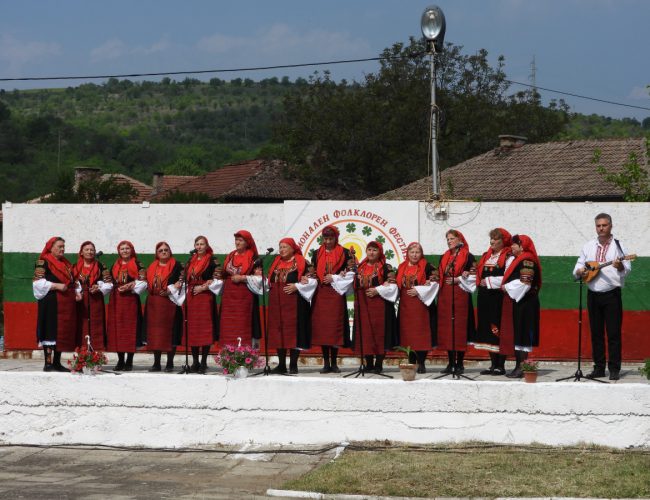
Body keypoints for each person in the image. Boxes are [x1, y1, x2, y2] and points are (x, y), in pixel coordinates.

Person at [573, 213, 631, 380]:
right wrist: (579, 271)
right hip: (593, 295)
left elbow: (627, 268)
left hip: (612, 295)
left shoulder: (618, 246)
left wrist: (619, 266)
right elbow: (579, 265)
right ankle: (599, 367)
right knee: (596, 333)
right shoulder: (589, 245)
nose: (601, 228)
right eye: (598, 225)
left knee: (613, 333)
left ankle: (614, 369)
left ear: (611, 226)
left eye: (604, 225)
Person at [266, 237, 316, 374]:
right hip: (277, 303)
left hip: (296, 302)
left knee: (295, 332)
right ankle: (281, 364)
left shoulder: (302, 262)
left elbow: (313, 280)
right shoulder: (276, 262)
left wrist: (297, 286)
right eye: (280, 247)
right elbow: (269, 280)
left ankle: (293, 364)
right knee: (279, 331)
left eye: (284, 247)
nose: (281, 250)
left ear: (292, 248)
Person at [310, 225, 353, 374]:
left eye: (331, 238)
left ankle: (334, 362)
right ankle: (326, 363)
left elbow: (351, 273)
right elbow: (313, 272)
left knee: (335, 328)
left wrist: (334, 277)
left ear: (336, 238)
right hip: (320, 293)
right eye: (325, 238)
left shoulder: (345, 253)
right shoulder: (316, 254)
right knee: (323, 329)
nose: (328, 241)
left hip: (336, 293)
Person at [352, 241, 398, 374]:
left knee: (378, 333)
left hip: (380, 306)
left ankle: (378, 364)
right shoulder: (360, 267)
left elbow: (393, 285)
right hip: (363, 304)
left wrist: (377, 290)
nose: (371, 253)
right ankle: (369, 363)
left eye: (374, 250)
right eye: (369, 250)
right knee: (365, 333)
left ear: (380, 252)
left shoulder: (385, 268)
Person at [470, 228, 512, 376]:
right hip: (484, 297)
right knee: (486, 330)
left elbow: (508, 278)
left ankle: (501, 364)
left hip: (498, 298)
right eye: (491, 239)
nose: (492, 241)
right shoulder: (486, 256)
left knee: (498, 329)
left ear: (503, 241)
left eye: (496, 239)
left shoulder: (508, 257)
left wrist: (487, 280)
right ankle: (493, 364)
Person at [33, 237, 78, 372]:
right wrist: (56, 285)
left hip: (66, 303)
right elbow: (38, 283)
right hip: (50, 302)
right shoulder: (43, 262)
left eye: (63, 246)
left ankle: (57, 363)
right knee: (50, 330)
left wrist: (77, 291)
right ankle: (48, 363)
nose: (62, 249)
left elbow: (73, 281)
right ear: (51, 247)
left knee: (62, 332)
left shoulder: (66, 264)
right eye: (59, 246)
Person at [501, 234, 542, 378]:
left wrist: (507, 287)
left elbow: (525, 282)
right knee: (518, 333)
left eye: (514, 244)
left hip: (526, 303)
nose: (511, 247)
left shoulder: (527, 260)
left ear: (522, 246)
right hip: (520, 302)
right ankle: (519, 366)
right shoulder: (519, 259)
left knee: (523, 334)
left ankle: (521, 367)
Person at [436, 230, 476, 375]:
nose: (449, 241)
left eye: (452, 238)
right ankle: (450, 362)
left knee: (459, 328)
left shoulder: (468, 257)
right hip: (445, 295)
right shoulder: (444, 256)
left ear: (460, 239)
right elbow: (439, 274)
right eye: (448, 239)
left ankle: (459, 363)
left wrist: (459, 279)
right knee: (448, 328)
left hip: (460, 295)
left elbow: (474, 275)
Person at [395, 242, 438, 374]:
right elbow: (395, 283)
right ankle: (412, 362)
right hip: (405, 305)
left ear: (421, 254)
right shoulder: (401, 267)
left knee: (420, 334)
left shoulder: (428, 267)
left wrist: (419, 290)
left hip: (421, 305)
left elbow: (435, 282)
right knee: (408, 334)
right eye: (412, 252)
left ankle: (422, 363)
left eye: (417, 252)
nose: (414, 255)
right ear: (407, 253)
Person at [143, 242, 184, 372]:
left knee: (170, 332)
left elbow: (182, 280)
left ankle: (170, 363)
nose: (164, 252)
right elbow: (146, 282)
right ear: (157, 253)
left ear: (170, 251)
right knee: (155, 334)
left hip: (169, 303)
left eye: (166, 250)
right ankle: (156, 363)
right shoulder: (152, 266)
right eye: (160, 250)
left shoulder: (177, 266)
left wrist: (170, 289)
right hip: (154, 303)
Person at [106, 240, 146, 371]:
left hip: (130, 299)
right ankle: (120, 360)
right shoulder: (114, 265)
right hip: (116, 299)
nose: (125, 251)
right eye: (122, 249)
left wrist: (132, 285)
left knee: (130, 329)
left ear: (131, 250)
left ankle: (129, 360)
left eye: (127, 248)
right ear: (119, 251)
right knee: (118, 330)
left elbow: (143, 281)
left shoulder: (138, 264)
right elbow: (109, 282)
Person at [219, 230, 262, 349]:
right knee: (229, 325)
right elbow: (224, 274)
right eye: (236, 240)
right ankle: (228, 356)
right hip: (229, 298)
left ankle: (245, 355)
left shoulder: (254, 258)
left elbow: (260, 279)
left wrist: (242, 278)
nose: (237, 243)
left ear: (247, 242)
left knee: (243, 325)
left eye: (240, 240)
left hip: (245, 297)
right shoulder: (231, 255)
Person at [184, 235, 220, 374]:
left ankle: (204, 362)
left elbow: (218, 275)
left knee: (204, 328)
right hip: (192, 296)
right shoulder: (190, 260)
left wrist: (205, 286)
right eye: (197, 244)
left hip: (205, 296)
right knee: (193, 329)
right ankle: (194, 361)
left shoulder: (212, 260)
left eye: (202, 244)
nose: (199, 247)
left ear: (207, 246)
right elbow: (184, 276)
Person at [73, 241, 112, 351]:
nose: (89, 252)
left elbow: (109, 283)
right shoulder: (75, 267)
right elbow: (72, 283)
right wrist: (77, 292)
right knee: (82, 326)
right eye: (87, 250)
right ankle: (81, 357)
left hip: (96, 300)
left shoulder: (100, 266)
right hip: (81, 300)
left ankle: (96, 358)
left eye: (92, 250)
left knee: (97, 326)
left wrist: (99, 287)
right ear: (81, 252)